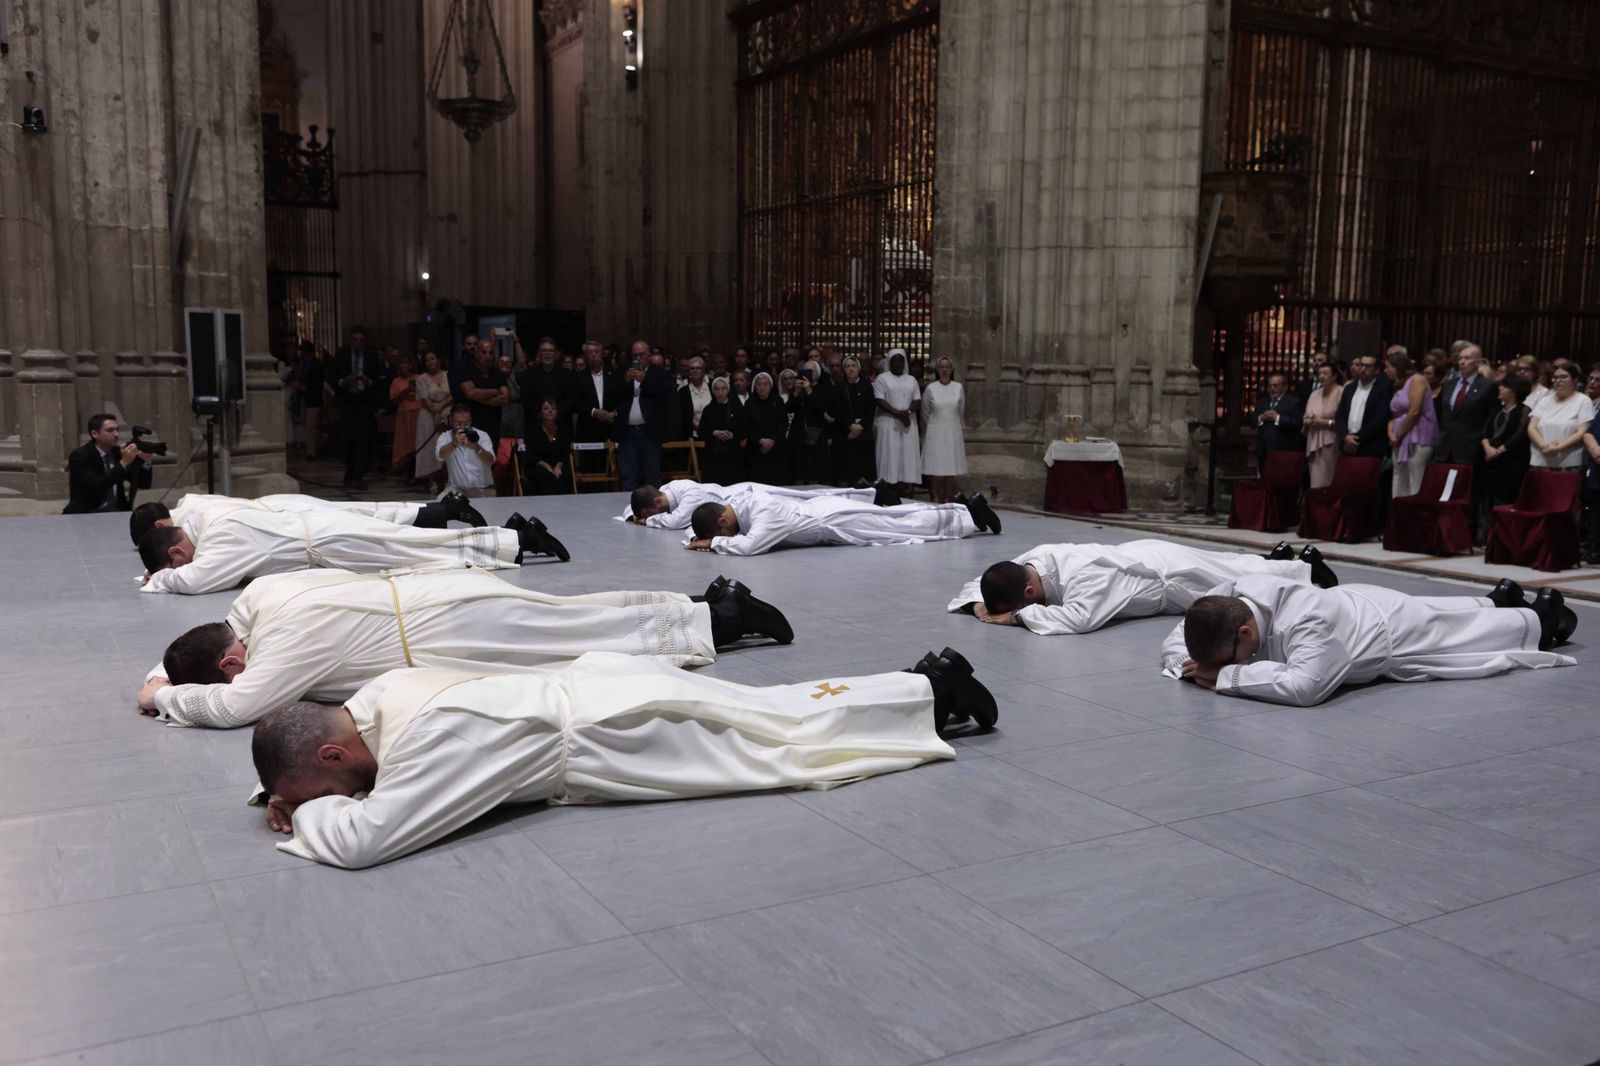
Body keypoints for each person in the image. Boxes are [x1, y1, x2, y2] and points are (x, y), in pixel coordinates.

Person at [250, 646, 1000, 868]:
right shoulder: (381, 694)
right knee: (771, 716)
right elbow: (359, 778)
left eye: (327, 783)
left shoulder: (435, 737)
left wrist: (302, 814)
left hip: (620, 730)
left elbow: (369, 839)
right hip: (599, 689)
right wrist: (286, 788)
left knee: (783, 747)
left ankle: (930, 692)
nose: (335, 795)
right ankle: (916, 683)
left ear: (332, 748)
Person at [135, 567, 794, 727]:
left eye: (228, 672)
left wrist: (167, 696)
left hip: (453, 634)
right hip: (445, 593)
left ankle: (728, 618)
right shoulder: (265, 597)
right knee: (579, 616)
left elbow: (236, 707)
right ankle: (700, 603)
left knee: (589, 639)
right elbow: (220, 631)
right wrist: (166, 666)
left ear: (230, 661)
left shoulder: (277, 654)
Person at [1162, 576, 1576, 707]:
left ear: (1246, 633)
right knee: (1447, 611)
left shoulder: (1304, 620)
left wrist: (1226, 676)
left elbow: (1307, 687)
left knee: (1460, 635)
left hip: (1389, 631)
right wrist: (1188, 663)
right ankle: (1498, 599)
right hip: (1357, 603)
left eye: (1231, 655)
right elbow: (1180, 635)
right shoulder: (1228, 596)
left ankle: (1547, 618)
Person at [135, 498, 569, 595]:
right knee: (419, 545)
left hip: (331, 542)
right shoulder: (207, 518)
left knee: (423, 552)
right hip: (320, 527)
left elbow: (195, 580)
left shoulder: (220, 544)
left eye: (177, 561)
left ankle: (519, 541)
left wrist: (157, 581)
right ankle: (511, 536)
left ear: (176, 552)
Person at [951, 540, 1332, 634]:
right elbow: (981, 582)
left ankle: (1308, 572)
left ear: (1028, 595)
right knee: (1226, 565)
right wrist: (977, 604)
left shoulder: (1086, 577)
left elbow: (1078, 619)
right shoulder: (1034, 558)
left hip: (1171, 579)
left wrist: (1013, 619)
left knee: (1234, 586)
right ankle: (1283, 561)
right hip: (1146, 555)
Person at [686, 486, 999, 556]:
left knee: (899, 527)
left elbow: (752, 546)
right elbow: (711, 522)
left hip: (835, 520)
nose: (729, 533)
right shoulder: (740, 504)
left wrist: (714, 542)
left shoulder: (763, 512)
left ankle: (969, 513)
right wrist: (707, 536)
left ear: (725, 517)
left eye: (724, 529)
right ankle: (959, 507)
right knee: (895, 518)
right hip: (827, 515)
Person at [128, 490, 487, 547]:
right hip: (281, 507)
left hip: (289, 516)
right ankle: (444, 509)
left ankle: (447, 510)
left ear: (161, 526)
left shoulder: (190, 521)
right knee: (370, 512)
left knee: (373, 520)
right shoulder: (190, 501)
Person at [623, 480, 882, 528]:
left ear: (658, 502)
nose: (653, 516)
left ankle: (864, 495)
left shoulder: (687, 494)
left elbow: (676, 521)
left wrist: (649, 520)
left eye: (652, 512)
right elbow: (635, 505)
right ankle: (861, 495)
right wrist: (635, 516)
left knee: (809, 499)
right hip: (739, 498)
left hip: (747, 495)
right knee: (808, 500)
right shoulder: (666, 491)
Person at [63, 413, 154, 514]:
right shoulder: (80, 456)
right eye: (110, 430)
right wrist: (123, 463)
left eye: (117, 430)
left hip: (118, 511)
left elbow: (144, 483)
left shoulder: (118, 453)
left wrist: (146, 462)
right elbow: (97, 485)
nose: (116, 434)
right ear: (94, 434)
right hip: (87, 513)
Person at [617, 339, 674, 491]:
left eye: (641, 355)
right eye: (635, 355)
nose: (638, 358)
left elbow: (665, 394)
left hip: (650, 432)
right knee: (628, 475)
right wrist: (625, 382)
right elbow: (613, 396)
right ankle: (628, 509)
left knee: (652, 474)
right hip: (627, 433)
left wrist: (645, 380)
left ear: (649, 355)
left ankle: (653, 510)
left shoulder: (659, 373)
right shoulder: (623, 373)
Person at [1478, 376, 1532, 526]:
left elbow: (1519, 435)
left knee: (1505, 500)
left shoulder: (1523, 410)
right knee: (1486, 500)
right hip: (1490, 462)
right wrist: (1488, 448)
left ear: (1514, 391)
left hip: (1511, 463)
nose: (1499, 389)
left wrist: (1499, 450)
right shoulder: (1496, 409)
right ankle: (1483, 535)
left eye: (1504, 387)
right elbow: (1485, 432)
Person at [1384, 350, 1438, 497]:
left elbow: (1414, 411)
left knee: (1415, 481)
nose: (1385, 370)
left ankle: (1414, 516)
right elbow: (1395, 416)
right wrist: (1391, 433)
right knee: (1398, 478)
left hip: (1418, 436)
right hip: (1399, 437)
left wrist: (1399, 434)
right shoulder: (1400, 384)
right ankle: (1398, 514)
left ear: (1397, 366)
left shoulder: (1417, 380)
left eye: (1388, 366)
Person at [332, 326, 379, 490]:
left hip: (364, 402)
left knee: (363, 440)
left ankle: (359, 475)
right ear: (350, 340)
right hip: (347, 401)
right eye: (355, 340)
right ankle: (349, 472)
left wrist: (369, 381)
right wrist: (343, 382)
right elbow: (332, 376)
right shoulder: (341, 355)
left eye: (361, 340)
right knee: (347, 439)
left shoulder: (372, 356)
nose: (358, 343)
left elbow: (378, 380)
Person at [1434, 343, 1495, 467]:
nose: (1462, 362)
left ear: (1478, 362)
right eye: (1460, 358)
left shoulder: (1487, 386)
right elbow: (1440, 414)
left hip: (1470, 448)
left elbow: (1490, 418)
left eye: (1467, 358)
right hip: (1445, 447)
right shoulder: (1449, 384)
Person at [1527, 364, 1595, 470]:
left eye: (1563, 377)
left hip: (1569, 462)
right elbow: (1532, 427)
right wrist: (1544, 446)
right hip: (1540, 459)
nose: (1558, 380)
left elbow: (1581, 432)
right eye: (1555, 377)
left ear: (1574, 380)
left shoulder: (1583, 400)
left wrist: (1557, 448)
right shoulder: (1545, 400)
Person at [873, 348, 922, 493]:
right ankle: (886, 491)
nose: (898, 363)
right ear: (890, 362)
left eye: (901, 360)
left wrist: (906, 412)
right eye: (895, 360)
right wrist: (898, 414)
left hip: (907, 424)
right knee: (889, 457)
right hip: (888, 423)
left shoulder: (911, 379)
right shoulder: (882, 379)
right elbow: (879, 400)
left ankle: (903, 491)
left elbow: (917, 401)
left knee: (905, 459)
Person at [921, 357, 967, 503]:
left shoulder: (958, 387)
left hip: (952, 429)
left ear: (952, 369)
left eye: (947, 367)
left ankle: (948, 496)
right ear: (937, 370)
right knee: (935, 465)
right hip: (936, 430)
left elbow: (961, 410)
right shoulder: (931, 388)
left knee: (950, 465)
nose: (944, 370)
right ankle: (935, 495)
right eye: (941, 367)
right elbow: (925, 411)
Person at [1333, 352, 1394, 458]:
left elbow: (1380, 419)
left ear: (1377, 370)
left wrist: (1356, 438)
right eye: (1361, 365)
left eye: (1368, 366)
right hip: (1346, 445)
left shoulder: (1383, 389)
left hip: (1370, 446)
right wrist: (1346, 437)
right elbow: (1340, 416)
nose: (1362, 369)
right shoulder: (1349, 388)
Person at [435, 403, 497, 498]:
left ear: (471, 420)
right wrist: (454, 444)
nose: (462, 426)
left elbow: (490, 461)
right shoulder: (445, 437)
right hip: (456, 489)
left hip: (482, 489)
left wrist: (476, 447)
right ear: (450, 421)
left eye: (466, 423)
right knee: (440, 501)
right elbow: (440, 456)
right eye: (458, 423)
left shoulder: (482, 435)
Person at [412, 350, 453, 491]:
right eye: (427, 360)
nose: (430, 362)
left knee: (448, 444)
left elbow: (454, 394)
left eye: (433, 358)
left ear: (439, 360)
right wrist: (435, 412)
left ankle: (449, 478)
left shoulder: (449, 375)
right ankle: (431, 481)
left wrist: (442, 406)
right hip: (428, 414)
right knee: (429, 447)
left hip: (447, 411)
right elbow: (425, 399)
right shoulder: (421, 379)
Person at [459, 337, 509, 448]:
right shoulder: (466, 372)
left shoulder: (498, 374)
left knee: (491, 461)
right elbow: (469, 394)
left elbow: (505, 398)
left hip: (493, 425)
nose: (487, 356)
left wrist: (478, 394)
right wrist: (495, 391)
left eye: (490, 353)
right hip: (472, 425)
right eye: (484, 352)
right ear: (476, 354)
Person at [833, 354, 876, 486]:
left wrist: (860, 427)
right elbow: (838, 410)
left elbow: (871, 409)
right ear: (843, 370)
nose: (850, 369)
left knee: (864, 472)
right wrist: (850, 426)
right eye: (847, 366)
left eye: (853, 366)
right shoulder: (839, 387)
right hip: (846, 434)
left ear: (858, 368)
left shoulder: (867, 386)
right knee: (845, 472)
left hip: (864, 435)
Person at [1302, 360, 1345, 489]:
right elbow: (1305, 416)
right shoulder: (1315, 393)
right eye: (1320, 373)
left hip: (1331, 439)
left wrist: (1325, 422)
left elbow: (1344, 420)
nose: (1322, 376)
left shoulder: (1341, 391)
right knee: (1315, 480)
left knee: (1328, 479)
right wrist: (1308, 421)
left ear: (1334, 376)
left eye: (1325, 373)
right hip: (1313, 438)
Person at [1250, 370, 1304, 474]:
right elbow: (1252, 421)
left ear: (1285, 387)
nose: (1272, 389)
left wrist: (1277, 418)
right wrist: (1261, 418)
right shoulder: (1262, 402)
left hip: (1284, 450)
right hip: (1263, 450)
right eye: (1269, 386)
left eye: (1275, 386)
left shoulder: (1293, 402)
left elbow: (1297, 422)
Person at [696, 377, 746, 485]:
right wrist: (714, 433)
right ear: (713, 391)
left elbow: (744, 430)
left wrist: (732, 435)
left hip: (733, 455)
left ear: (728, 390)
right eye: (717, 389)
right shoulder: (708, 409)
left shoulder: (737, 408)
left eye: (723, 389)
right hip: (713, 456)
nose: (720, 392)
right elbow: (701, 431)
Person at [744, 372, 788, 485]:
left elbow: (783, 424)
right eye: (759, 385)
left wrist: (771, 442)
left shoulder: (778, 401)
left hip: (775, 449)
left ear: (770, 386)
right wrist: (761, 441)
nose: (762, 387)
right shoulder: (749, 403)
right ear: (755, 386)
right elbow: (746, 426)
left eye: (765, 385)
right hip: (755, 449)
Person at [525, 397, 570, 495]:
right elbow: (530, 455)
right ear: (540, 413)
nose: (550, 411)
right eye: (546, 408)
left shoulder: (563, 430)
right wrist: (546, 466)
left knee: (564, 476)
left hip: (557, 465)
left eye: (553, 409)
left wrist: (559, 466)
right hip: (538, 465)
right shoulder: (533, 431)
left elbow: (566, 452)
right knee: (547, 476)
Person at [388, 353, 420, 477]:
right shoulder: (396, 381)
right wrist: (406, 391)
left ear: (411, 365)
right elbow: (394, 400)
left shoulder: (420, 378)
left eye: (405, 363)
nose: (403, 366)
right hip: (404, 415)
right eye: (401, 364)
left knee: (419, 443)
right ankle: (409, 473)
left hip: (419, 413)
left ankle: (420, 473)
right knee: (406, 444)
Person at [678, 356, 712, 439]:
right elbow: (685, 415)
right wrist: (702, 428)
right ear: (689, 371)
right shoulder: (683, 391)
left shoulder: (712, 388)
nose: (695, 371)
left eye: (698, 368)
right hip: (693, 435)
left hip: (713, 434)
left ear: (703, 371)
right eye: (692, 368)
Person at [1583, 404, 1600, 564]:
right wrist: (1596, 451)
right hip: (1597, 469)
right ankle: (1597, 550)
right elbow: (1588, 434)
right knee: (1596, 514)